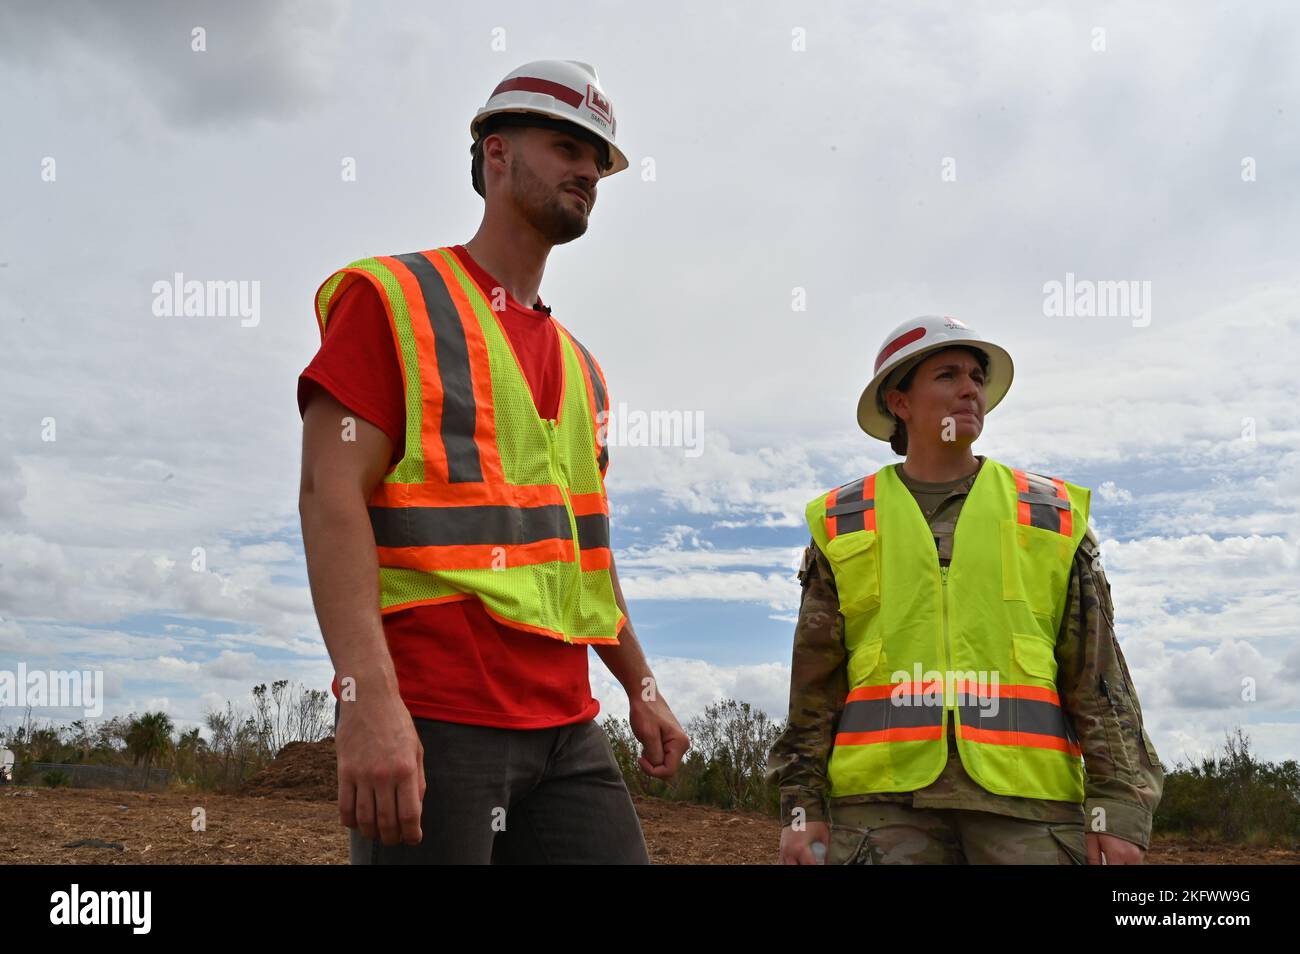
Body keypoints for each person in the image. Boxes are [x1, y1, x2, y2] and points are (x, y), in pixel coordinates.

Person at [297, 60, 688, 864]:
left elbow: (588, 558)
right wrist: (365, 700)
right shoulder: (396, 298)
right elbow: (327, 496)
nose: (588, 169)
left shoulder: (582, 370)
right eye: (567, 145)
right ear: (496, 154)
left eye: (598, 158)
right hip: (437, 713)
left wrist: (639, 687)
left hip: (566, 725)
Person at [768, 315, 1162, 865]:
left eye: (976, 376)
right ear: (899, 401)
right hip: (879, 812)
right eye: (947, 375)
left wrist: (1119, 806)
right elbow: (813, 685)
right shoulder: (845, 520)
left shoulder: (1047, 512)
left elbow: (1096, 676)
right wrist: (800, 806)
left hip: (1030, 809)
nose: (970, 389)